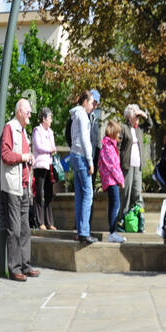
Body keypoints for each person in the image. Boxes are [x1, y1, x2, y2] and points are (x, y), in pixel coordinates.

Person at [0, 98, 39, 281]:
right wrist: (24, 156)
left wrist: (29, 159)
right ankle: (14, 268)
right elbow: (5, 155)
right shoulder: (10, 128)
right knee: (14, 229)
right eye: (28, 111)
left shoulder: (23, 131)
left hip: (23, 187)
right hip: (13, 187)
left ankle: (25, 265)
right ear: (19, 112)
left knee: (25, 229)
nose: (30, 114)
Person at [68, 90, 98, 243]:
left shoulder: (75, 115)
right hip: (81, 157)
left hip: (74, 155)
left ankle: (81, 231)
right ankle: (84, 232)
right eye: (92, 102)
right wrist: (90, 162)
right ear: (85, 101)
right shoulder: (83, 116)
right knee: (88, 194)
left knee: (80, 195)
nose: (93, 106)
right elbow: (86, 140)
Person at [120, 104, 149, 226]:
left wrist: (144, 115)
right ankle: (122, 219)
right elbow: (118, 145)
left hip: (138, 166)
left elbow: (149, 125)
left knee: (137, 192)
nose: (137, 118)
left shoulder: (139, 129)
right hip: (127, 165)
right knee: (126, 193)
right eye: (135, 115)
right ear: (128, 116)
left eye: (138, 117)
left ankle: (138, 218)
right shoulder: (124, 128)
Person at [99, 120, 127, 244]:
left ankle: (113, 231)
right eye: (118, 132)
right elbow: (113, 166)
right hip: (111, 180)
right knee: (115, 204)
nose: (119, 135)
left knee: (114, 204)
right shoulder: (108, 147)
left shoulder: (111, 145)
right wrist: (121, 180)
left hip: (111, 180)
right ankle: (113, 232)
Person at [32, 107, 58, 230]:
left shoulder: (51, 132)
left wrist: (50, 149)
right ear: (44, 119)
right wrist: (50, 149)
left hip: (49, 165)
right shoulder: (37, 130)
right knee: (39, 193)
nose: (51, 120)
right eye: (50, 117)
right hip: (40, 165)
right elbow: (38, 146)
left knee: (49, 193)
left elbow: (53, 146)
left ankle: (49, 222)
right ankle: (39, 221)